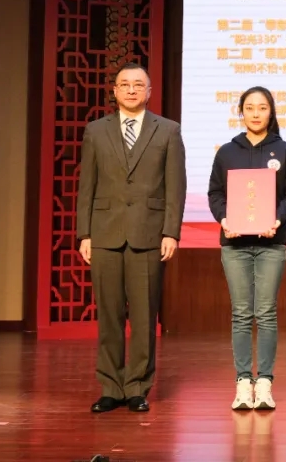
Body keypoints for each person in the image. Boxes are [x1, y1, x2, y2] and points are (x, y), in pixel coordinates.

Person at [76, 62, 187, 414]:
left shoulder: (168, 130)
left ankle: (137, 386)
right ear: (114, 91)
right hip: (104, 232)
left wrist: (171, 231)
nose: (131, 90)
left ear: (149, 91)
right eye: (124, 84)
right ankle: (111, 386)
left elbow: (176, 186)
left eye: (138, 84)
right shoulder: (96, 131)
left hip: (149, 233)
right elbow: (86, 186)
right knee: (109, 315)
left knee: (143, 316)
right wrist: (84, 233)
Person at [207, 86, 286, 411]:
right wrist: (224, 219)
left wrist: (277, 218)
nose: (255, 113)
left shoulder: (285, 150)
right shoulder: (227, 153)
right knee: (240, 313)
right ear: (241, 112)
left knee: (265, 312)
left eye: (262, 108)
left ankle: (264, 382)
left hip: (271, 243)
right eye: (249, 108)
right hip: (234, 243)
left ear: (271, 112)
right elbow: (215, 194)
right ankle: (242, 382)